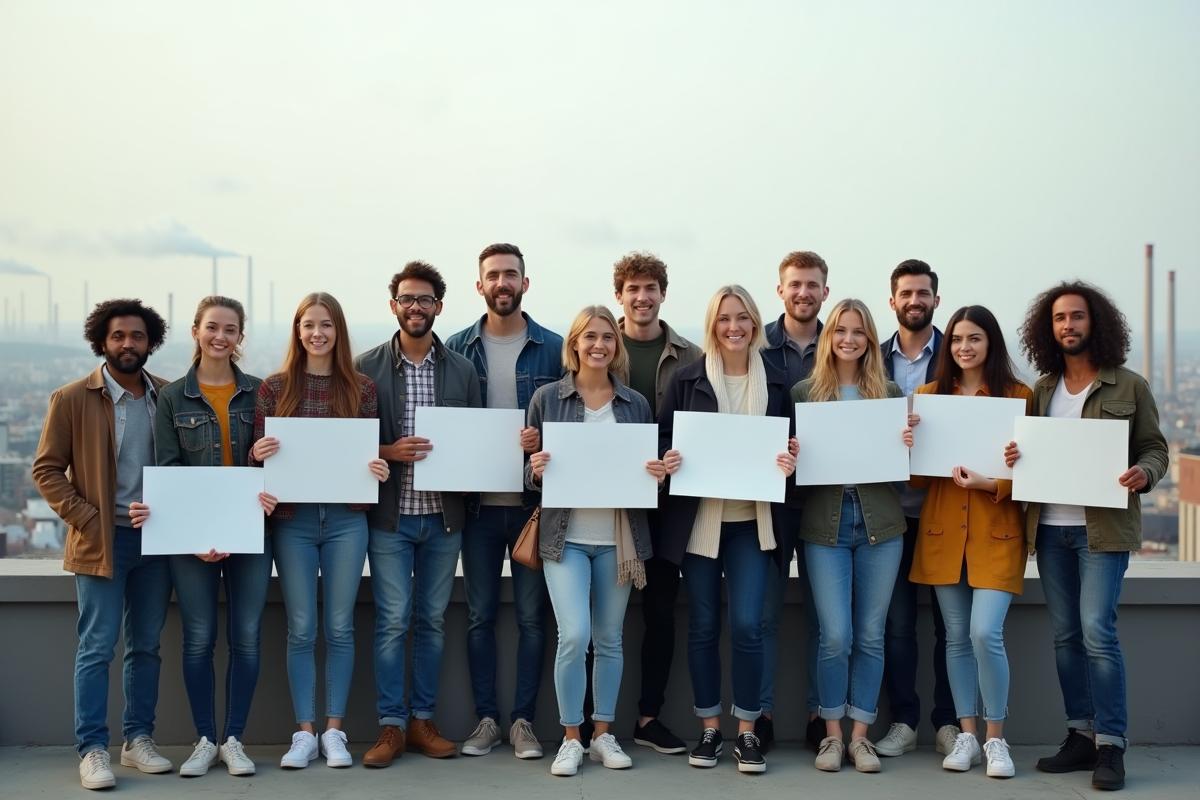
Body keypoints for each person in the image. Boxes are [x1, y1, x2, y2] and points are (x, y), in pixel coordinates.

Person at [1006, 281, 1168, 791]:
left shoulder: (1129, 386)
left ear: (1094, 323)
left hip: (1103, 531)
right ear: (1048, 328)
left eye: (1076, 316)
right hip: (1051, 531)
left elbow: (1155, 449)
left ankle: (1111, 745)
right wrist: (1014, 457)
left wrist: (1144, 473)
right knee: (1066, 637)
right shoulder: (1042, 390)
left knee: (1098, 633)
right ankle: (1079, 734)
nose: (1068, 326)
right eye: (1059, 318)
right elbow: (1027, 454)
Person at [32, 299, 174, 790]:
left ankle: (138, 741)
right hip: (101, 543)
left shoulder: (167, 396)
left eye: (137, 336)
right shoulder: (72, 398)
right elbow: (46, 470)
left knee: (147, 647)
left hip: (156, 542)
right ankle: (92, 749)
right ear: (102, 341)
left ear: (149, 342)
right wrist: (88, 518)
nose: (128, 344)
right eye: (118, 336)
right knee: (96, 648)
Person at [658, 285, 798, 775]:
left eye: (741, 318)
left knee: (748, 626)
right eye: (723, 319)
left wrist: (790, 462)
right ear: (712, 326)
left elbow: (794, 454)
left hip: (753, 526)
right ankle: (710, 728)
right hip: (701, 524)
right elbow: (661, 441)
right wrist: (669, 459)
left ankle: (747, 732)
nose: (733, 327)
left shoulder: (779, 382)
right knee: (702, 625)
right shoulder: (686, 379)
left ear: (755, 323)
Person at [249, 292, 390, 769]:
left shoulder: (362, 389)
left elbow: (367, 453)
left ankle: (335, 732)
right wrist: (259, 453)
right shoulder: (273, 388)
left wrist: (376, 467)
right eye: (308, 324)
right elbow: (257, 459)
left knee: (340, 627)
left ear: (338, 331)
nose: (317, 333)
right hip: (294, 521)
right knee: (302, 629)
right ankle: (304, 733)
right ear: (297, 330)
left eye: (326, 325)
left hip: (348, 519)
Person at [525, 305, 663, 777]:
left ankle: (604, 734)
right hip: (565, 539)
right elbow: (530, 478)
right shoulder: (547, 398)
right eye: (590, 337)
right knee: (575, 636)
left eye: (607, 336)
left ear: (615, 345)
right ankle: (571, 738)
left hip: (618, 540)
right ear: (575, 344)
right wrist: (535, 469)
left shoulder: (636, 404)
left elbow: (645, 473)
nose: (599, 344)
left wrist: (656, 474)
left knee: (609, 639)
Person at [355, 261, 482, 766]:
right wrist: (390, 449)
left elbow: (474, 442)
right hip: (390, 519)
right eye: (406, 299)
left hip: (444, 519)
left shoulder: (462, 370)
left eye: (424, 300)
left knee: (431, 621)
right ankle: (390, 727)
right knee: (391, 622)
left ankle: (421, 720)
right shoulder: (365, 368)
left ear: (438, 308)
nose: (415, 307)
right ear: (393, 306)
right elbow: (351, 445)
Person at [149, 296, 276, 777]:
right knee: (198, 638)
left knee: (246, 637)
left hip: (250, 533)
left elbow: (276, 466)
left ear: (240, 337)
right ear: (196, 331)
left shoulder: (261, 392)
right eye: (211, 328)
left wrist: (269, 486)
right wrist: (198, 534)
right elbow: (168, 471)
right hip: (192, 538)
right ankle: (205, 739)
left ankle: (234, 739)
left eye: (230, 329)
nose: (220, 336)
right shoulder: (172, 398)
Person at [445, 243, 562, 759]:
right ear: (479, 286)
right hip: (476, 509)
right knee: (480, 617)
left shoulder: (557, 348)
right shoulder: (455, 349)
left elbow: (576, 420)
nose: (502, 282)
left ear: (524, 283)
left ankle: (523, 723)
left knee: (536, 618)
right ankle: (487, 719)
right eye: (493, 275)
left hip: (533, 505)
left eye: (510, 274)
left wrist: (545, 438)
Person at [907, 305, 1033, 779]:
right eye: (957, 338)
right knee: (956, 639)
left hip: (997, 535)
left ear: (991, 343)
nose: (964, 347)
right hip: (941, 534)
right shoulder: (929, 395)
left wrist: (992, 481)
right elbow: (917, 481)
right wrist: (910, 443)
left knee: (985, 633)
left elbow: (1034, 478)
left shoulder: (1017, 397)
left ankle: (996, 739)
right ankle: (966, 735)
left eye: (974, 338)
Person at [794, 298, 911, 774]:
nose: (848, 338)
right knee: (834, 636)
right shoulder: (805, 393)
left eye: (859, 331)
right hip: (825, 526)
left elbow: (904, 471)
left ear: (869, 339)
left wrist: (906, 442)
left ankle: (860, 737)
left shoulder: (887, 393)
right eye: (841, 330)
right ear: (829, 337)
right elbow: (792, 466)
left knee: (870, 634)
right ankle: (831, 735)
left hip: (880, 525)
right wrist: (792, 453)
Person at [610, 251, 701, 755]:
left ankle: (648, 717)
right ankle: (586, 722)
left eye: (651, 289)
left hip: (668, 505)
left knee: (661, 614)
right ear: (619, 295)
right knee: (601, 614)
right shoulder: (599, 344)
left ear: (663, 294)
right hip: (608, 504)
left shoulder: (689, 355)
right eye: (632, 289)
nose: (642, 297)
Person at [875, 259, 959, 759]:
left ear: (935, 299)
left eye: (923, 293)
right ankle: (904, 720)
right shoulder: (872, 357)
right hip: (889, 513)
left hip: (945, 511)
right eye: (906, 293)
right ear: (892, 302)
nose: (914, 300)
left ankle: (948, 721)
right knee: (896, 625)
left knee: (950, 627)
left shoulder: (961, 352)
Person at [759, 250, 830, 751]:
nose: (802, 292)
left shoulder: (846, 341)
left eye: (812, 284)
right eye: (794, 284)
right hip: (768, 502)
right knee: (763, 613)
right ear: (780, 290)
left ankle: (817, 715)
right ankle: (760, 713)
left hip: (826, 501)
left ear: (825, 290)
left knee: (825, 620)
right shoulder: (753, 342)